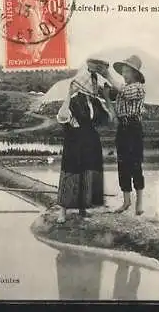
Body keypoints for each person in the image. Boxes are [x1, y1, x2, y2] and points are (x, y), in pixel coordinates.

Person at [55, 70, 112, 224]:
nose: (94, 86)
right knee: (71, 172)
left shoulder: (95, 102)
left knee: (87, 173)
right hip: (74, 141)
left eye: (95, 83)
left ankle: (83, 208)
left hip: (90, 141)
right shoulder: (73, 100)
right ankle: (63, 211)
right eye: (92, 83)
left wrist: (106, 97)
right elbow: (62, 116)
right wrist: (68, 93)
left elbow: (108, 119)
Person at [100, 55, 146, 215]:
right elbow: (113, 114)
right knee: (122, 164)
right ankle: (126, 201)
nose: (125, 74)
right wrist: (106, 97)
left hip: (134, 128)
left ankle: (139, 203)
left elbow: (124, 91)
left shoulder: (138, 87)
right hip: (123, 129)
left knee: (135, 164)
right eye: (124, 72)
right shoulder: (121, 91)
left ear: (135, 74)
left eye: (127, 71)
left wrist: (107, 75)